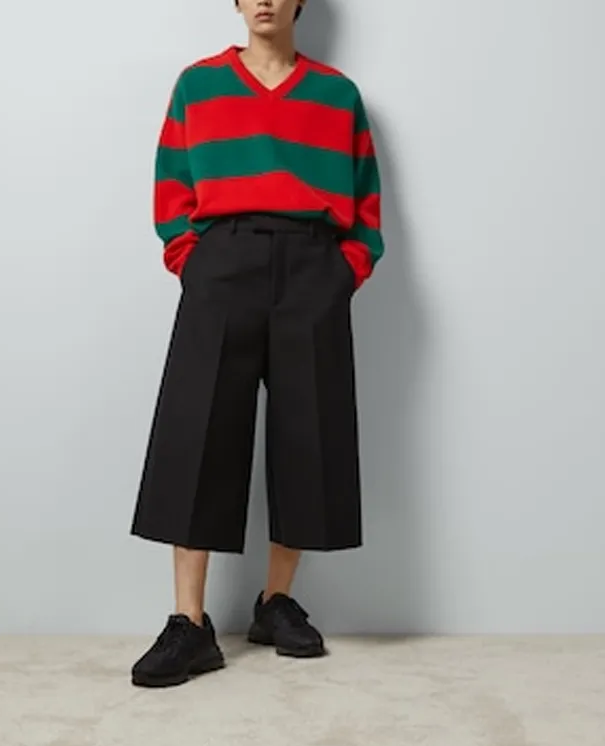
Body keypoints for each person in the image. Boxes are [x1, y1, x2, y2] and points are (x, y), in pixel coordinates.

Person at [130, 0, 384, 688]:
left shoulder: (337, 95)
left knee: (309, 431)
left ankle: (276, 602)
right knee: (198, 430)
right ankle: (189, 622)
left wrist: (344, 271)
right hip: (223, 264)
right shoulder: (199, 85)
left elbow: (366, 203)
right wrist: (193, 262)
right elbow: (172, 186)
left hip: (313, 267)